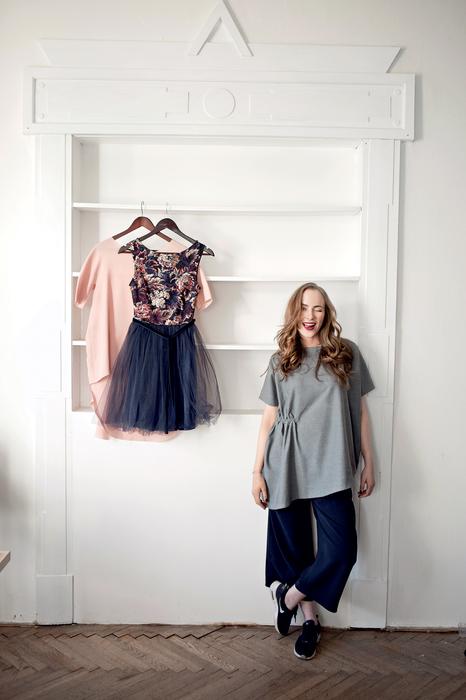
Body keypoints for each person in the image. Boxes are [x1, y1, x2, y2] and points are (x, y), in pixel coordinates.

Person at [252, 282, 375, 660]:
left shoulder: (346, 353)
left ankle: (288, 597)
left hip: (333, 463)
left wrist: (369, 461)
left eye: (318, 308)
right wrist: (256, 472)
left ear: (327, 313)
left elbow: (360, 411)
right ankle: (310, 622)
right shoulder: (281, 359)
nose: (310, 316)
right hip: (286, 461)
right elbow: (268, 420)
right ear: (295, 312)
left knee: (341, 552)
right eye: (304, 308)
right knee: (296, 550)